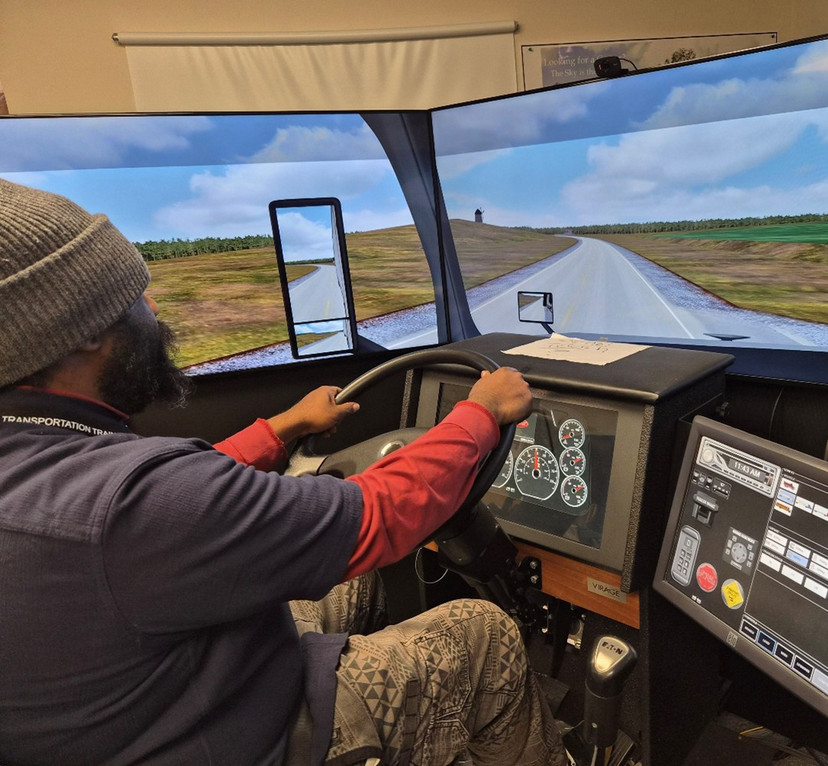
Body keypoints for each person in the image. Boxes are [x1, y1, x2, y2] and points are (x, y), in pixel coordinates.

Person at [0, 178, 568, 766]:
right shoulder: (133, 505)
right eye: (135, 296)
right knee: (483, 633)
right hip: (248, 735)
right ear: (85, 328)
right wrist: (481, 413)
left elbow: (181, 495)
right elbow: (377, 511)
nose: (153, 310)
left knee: (360, 579)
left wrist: (283, 429)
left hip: (153, 702)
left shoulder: (50, 463)